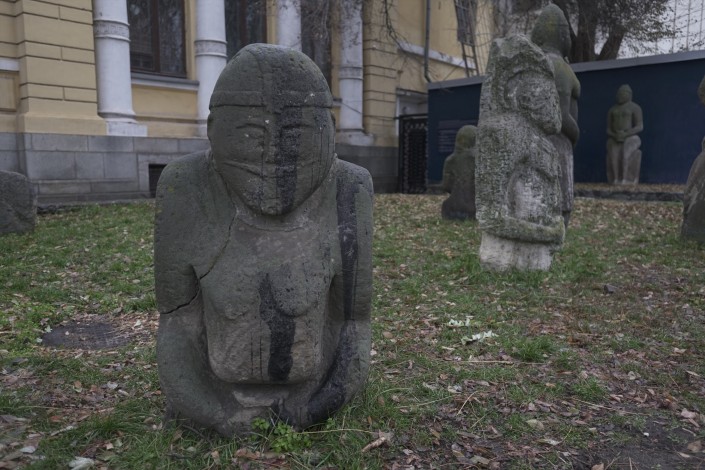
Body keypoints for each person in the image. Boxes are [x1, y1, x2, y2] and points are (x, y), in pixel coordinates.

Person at [154, 44, 373, 436]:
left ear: (329, 132)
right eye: (251, 134)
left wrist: (315, 408)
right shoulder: (186, 189)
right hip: (220, 395)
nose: (273, 155)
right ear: (213, 131)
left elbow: (353, 324)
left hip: (309, 394)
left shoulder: (348, 190)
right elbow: (176, 323)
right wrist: (214, 414)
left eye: (295, 135)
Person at [531, 4, 580, 227]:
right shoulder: (560, 67)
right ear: (562, 35)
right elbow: (561, 115)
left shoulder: (530, 64)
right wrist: (575, 135)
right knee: (560, 201)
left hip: (533, 142)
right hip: (558, 142)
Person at [606, 84, 643, 184]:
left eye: (623, 93)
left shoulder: (635, 108)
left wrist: (626, 134)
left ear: (629, 95)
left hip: (631, 137)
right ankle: (615, 179)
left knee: (626, 152)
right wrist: (615, 135)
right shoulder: (612, 109)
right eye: (619, 94)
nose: (620, 96)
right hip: (615, 137)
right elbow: (608, 129)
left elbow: (640, 126)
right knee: (613, 153)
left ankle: (626, 178)